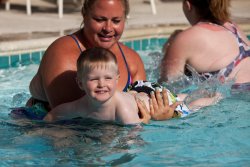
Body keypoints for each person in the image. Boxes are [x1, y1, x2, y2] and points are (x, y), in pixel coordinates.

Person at [43, 47, 221, 124]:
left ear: (117, 78)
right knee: (178, 96)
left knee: (187, 107)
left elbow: (133, 139)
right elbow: (55, 115)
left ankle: (212, 98)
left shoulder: (121, 108)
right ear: (80, 83)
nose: (102, 84)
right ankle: (184, 95)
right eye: (93, 79)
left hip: (153, 98)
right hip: (137, 92)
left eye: (107, 78)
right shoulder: (80, 106)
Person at [27, 0, 146, 112]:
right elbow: (70, 123)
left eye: (116, 21)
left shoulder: (131, 60)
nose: (108, 28)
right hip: (40, 125)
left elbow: (143, 107)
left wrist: (158, 114)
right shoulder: (63, 54)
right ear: (84, 15)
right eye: (100, 20)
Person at [160, 0, 250, 89]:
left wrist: (169, 49)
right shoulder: (233, 27)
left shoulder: (186, 39)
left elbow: (167, 87)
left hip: (234, 96)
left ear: (187, 5)